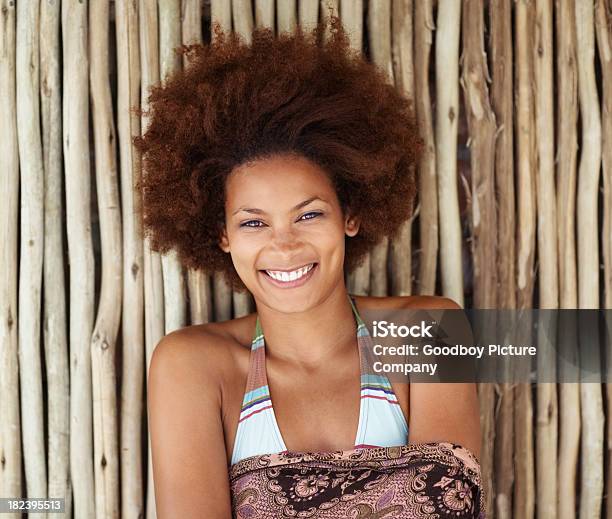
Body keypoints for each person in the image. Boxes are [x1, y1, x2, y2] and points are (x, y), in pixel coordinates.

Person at [139, 14, 483, 518]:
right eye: (253, 223)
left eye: (309, 214)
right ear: (222, 235)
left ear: (351, 215)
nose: (285, 244)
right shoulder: (192, 366)